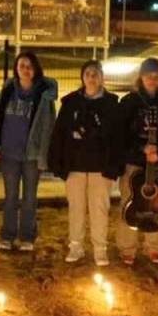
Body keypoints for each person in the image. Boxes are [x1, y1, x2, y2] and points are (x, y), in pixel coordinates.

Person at [49, 60, 121, 266]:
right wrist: (57, 161)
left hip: (100, 167)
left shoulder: (111, 104)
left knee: (99, 209)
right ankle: (76, 246)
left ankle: (100, 249)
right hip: (76, 165)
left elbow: (117, 137)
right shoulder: (71, 102)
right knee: (76, 208)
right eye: (88, 73)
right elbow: (60, 133)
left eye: (95, 74)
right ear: (82, 77)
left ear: (102, 77)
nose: (91, 78)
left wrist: (115, 164)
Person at [0, 51, 58, 253]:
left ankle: (27, 237)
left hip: (31, 155)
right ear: (16, 69)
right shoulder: (8, 90)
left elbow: (48, 127)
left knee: (29, 198)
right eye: (22, 66)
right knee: (10, 196)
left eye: (29, 66)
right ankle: (7, 236)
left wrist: (43, 155)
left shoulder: (44, 96)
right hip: (9, 153)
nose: (25, 70)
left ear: (35, 69)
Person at [115, 58, 158, 266]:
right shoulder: (129, 102)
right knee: (129, 201)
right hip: (135, 161)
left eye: (156, 76)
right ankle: (127, 247)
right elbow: (121, 134)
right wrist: (142, 149)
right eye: (148, 75)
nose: (152, 79)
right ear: (141, 77)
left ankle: (155, 246)